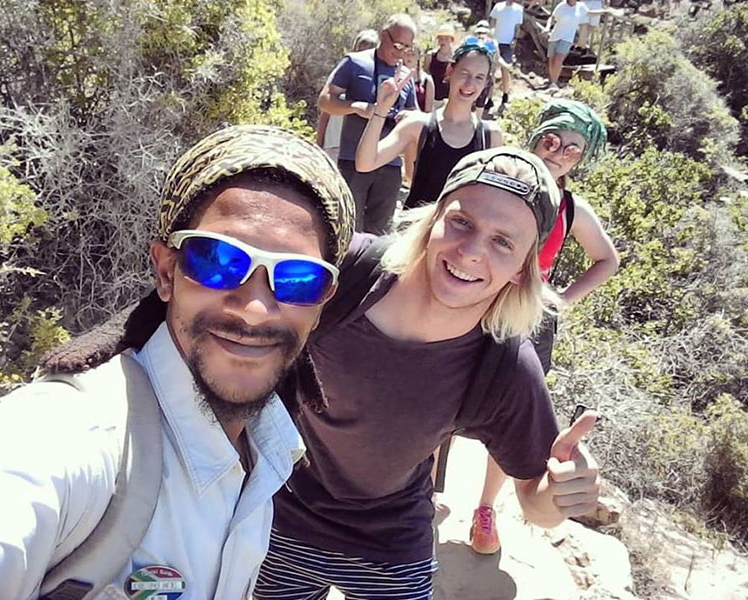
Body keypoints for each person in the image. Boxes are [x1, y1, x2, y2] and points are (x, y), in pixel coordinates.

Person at [0, 125, 356, 600]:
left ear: (322, 304)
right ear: (166, 271)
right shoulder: (64, 438)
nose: (254, 309)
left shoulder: (271, 449)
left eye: (300, 279)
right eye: (217, 260)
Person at [254, 147, 601, 599]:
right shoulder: (346, 272)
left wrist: (559, 494)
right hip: (278, 518)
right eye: (462, 222)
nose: (471, 252)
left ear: (522, 269)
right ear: (433, 218)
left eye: (503, 242)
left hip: (390, 544)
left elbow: (535, 503)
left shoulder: (503, 363)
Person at [470, 100, 619, 555]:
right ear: (537, 137)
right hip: (475, 301)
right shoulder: (503, 183)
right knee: (444, 391)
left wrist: (560, 300)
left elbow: (607, 259)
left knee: (509, 417)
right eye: (553, 141)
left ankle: (485, 508)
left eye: (573, 149)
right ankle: (425, 488)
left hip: (528, 320)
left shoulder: (572, 209)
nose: (559, 154)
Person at [356, 38, 503, 211]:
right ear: (450, 70)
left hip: (460, 228)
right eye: (465, 73)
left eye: (479, 77)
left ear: (486, 83)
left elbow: (491, 199)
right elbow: (365, 163)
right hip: (417, 226)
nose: (470, 84)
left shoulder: (490, 136)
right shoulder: (418, 125)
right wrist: (381, 109)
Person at [317, 14, 417, 235]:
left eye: (407, 48)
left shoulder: (404, 74)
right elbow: (324, 101)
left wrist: (406, 117)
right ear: (384, 35)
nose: (401, 53)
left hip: (390, 165)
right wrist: (356, 107)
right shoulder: (355, 63)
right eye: (398, 45)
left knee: (379, 235)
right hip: (352, 161)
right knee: (346, 227)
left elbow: (414, 112)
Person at [317, 29, 380, 161]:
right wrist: (318, 145)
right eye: (361, 49)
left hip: (359, 149)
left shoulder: (376, 84)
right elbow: (325, 113)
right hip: (333, 144)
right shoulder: (341, 76)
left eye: (369, 49)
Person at [545, 0, 620, 90]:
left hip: (567, 38)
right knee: (552, 60)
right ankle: (552, 81)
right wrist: (547, 28)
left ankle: (554, 82)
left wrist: (606, 10)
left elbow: (590, 13)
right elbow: (552, 17)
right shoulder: (561, 6)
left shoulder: (580, 7)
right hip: (555, 36)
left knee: (559, 59)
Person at [401, 44, 435, 186]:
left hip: (415, 127)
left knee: (410, 171)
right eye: (407, 53)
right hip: (395, 123)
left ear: (418, 57)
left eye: (413, 54)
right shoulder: (395, 76)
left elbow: (428, 110)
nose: (409, 57)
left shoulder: (426, 80)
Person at [489, 0, 524, 108]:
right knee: (491, 71)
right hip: (495, 42)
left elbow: (517, 26)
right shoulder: (498, 6)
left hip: (508, 43)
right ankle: (489, 98)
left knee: (505, 69)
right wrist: (491, 35)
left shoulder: (518, 9)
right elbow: (492, 21)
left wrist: (515, 39)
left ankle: (505, 94)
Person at [423, 23, 457, 105]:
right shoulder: (430, 56)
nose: (443, 41)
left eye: (446, 38)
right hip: (431, 98)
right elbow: (424, 75)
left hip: (449, 100)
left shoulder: (456, 58)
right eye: (441, 38)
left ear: (451, 40)